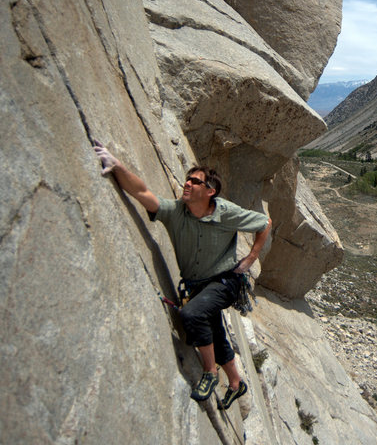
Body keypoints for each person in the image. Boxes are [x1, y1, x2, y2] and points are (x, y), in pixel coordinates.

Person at [93, 140, 272, 409]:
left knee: (191, 315)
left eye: (195, 182)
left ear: (210, 191)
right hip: (198, 285)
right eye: (187, 180)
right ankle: (236, 383)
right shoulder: (176, 213)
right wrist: (117, 166)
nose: (187, 184)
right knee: (214, 331)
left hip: (225, 281)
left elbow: (265, 223)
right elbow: (142, 192)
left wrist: (251, 257)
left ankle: (210, 374)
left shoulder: (225, 212)